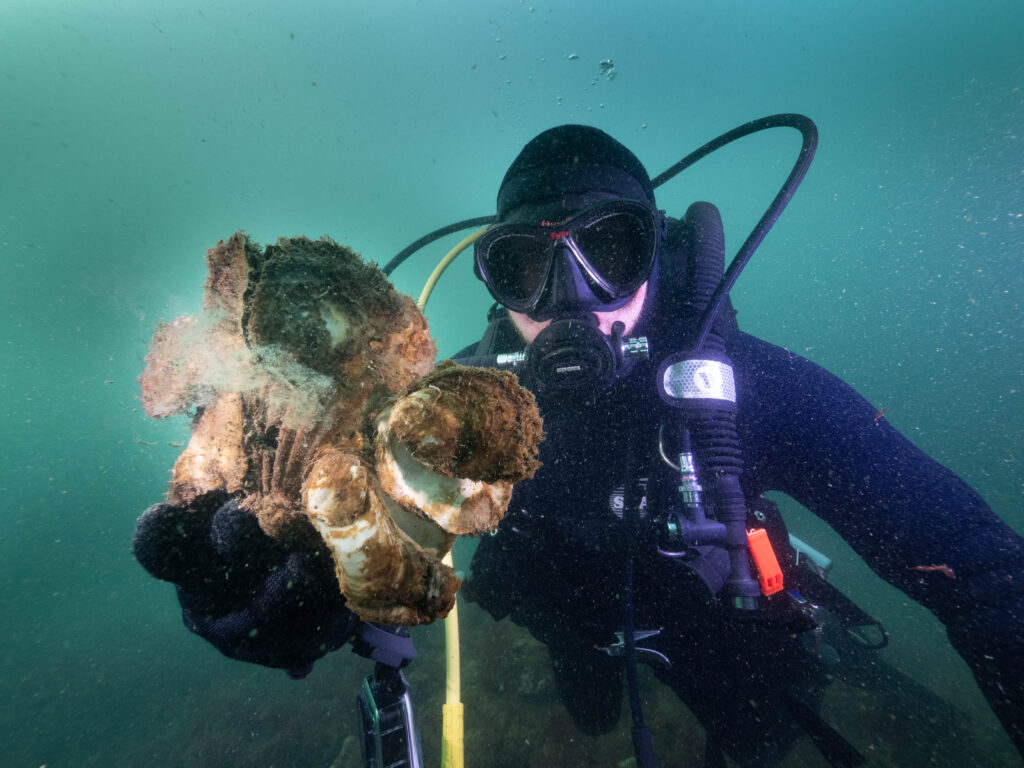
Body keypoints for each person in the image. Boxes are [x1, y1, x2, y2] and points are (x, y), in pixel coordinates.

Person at [135, 122, 1024, 767]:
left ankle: (841, 664)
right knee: (593, 719)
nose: (573, 297)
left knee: (758, 736)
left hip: (726, 633)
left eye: (610, 250)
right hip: (569, 629)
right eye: (527, 266)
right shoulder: (443, 415)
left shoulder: (753, 390)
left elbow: (981, 568)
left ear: (661, 251)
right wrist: (286, 598)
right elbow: (367, 537)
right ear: (494, 279)